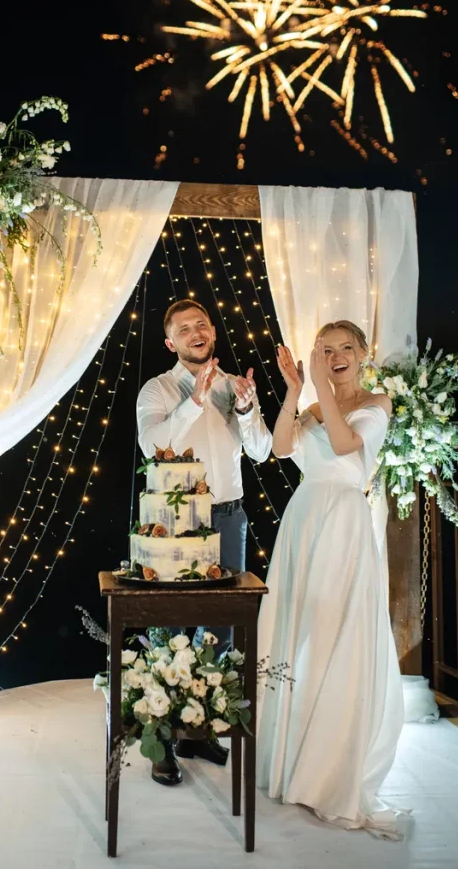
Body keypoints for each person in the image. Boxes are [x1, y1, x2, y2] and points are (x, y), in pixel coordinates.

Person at [257, 320, 405, 839]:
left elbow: (346, 451)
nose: (336, 356)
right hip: (303, 521)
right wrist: (296, 392)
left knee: (335, 633)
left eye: (346, 348)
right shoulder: (314, 404)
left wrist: (320, 387)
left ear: (364, 353)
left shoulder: (377, 404)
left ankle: (328, 769)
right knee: (299, 632)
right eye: (326, 349)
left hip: (343, 523)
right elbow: (279, 449)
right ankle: (290, 754)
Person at [137, 299, 272, 785]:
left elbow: (262, 451)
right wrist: (193, 399)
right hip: (176, 518)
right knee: (172, 628)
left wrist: (247, 407)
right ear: (171, 342)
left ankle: (197, 728)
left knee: (219, 630)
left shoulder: (236, 385)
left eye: (202, 324)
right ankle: (162, 741)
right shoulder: (157, 389)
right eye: (184, 328)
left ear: (212, 332)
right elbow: (153, 448)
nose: (196, 332)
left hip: (230, 516)